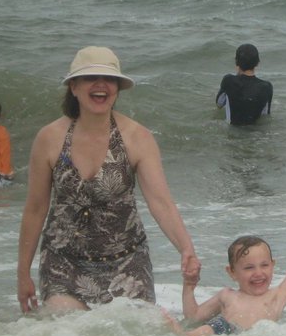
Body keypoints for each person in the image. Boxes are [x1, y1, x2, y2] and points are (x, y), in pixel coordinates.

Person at [17, 46, 201, 314]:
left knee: (133, 331)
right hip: (64, 262)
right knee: (65, 325)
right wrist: (23, 274)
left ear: (117, 89)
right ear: (74, 87)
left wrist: (186, 249)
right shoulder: (49, 138)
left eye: (109, 79)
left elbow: (161, 202)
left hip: (126, 261)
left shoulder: (137, 137)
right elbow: (35, 209)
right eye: (91, 77)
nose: (101, 85)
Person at [166, 228, 286, 336]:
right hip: (225, 333)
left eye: (264, 265)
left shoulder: (277, 296)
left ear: (273, 265)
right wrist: (188, 286)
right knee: (212, 327)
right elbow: (193, 317)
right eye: (249, 268)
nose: (258, 273)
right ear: (232, 272)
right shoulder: (226, 295)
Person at [216, 43, 273, 125]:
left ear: (236, 62)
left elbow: (219, 104)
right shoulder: (267, 87)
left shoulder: (229, 80)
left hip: (232, 129)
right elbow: (265, 114)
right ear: (257, 63)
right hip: (255, 131)